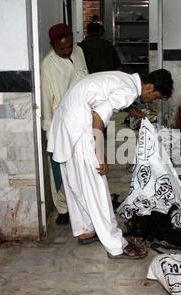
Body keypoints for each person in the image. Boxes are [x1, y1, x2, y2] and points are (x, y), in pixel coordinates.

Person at [47, 69, 173, 259]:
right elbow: (98, 116)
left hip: (66, 121)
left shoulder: (126, 79)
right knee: (96, 186)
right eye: (156, 97)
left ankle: (85, 229)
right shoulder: (130, 90)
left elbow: (107, 97)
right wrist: (100, 153)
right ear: (149, 86)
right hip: (81, 127)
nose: (155, 102)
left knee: (77, 182)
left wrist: (130, 110)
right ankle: (116, 245)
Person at [41, 23, 88, 225]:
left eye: (69, 46)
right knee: (58, 168)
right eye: (62, 49)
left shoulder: (79, 52)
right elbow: (45, 101)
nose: (67, 51)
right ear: (52, 45)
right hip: (60, 125)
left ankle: (83, 203)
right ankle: (63, 208)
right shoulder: (47, 65)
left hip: (82, 119)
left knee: (82, 165)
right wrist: (48, 133)